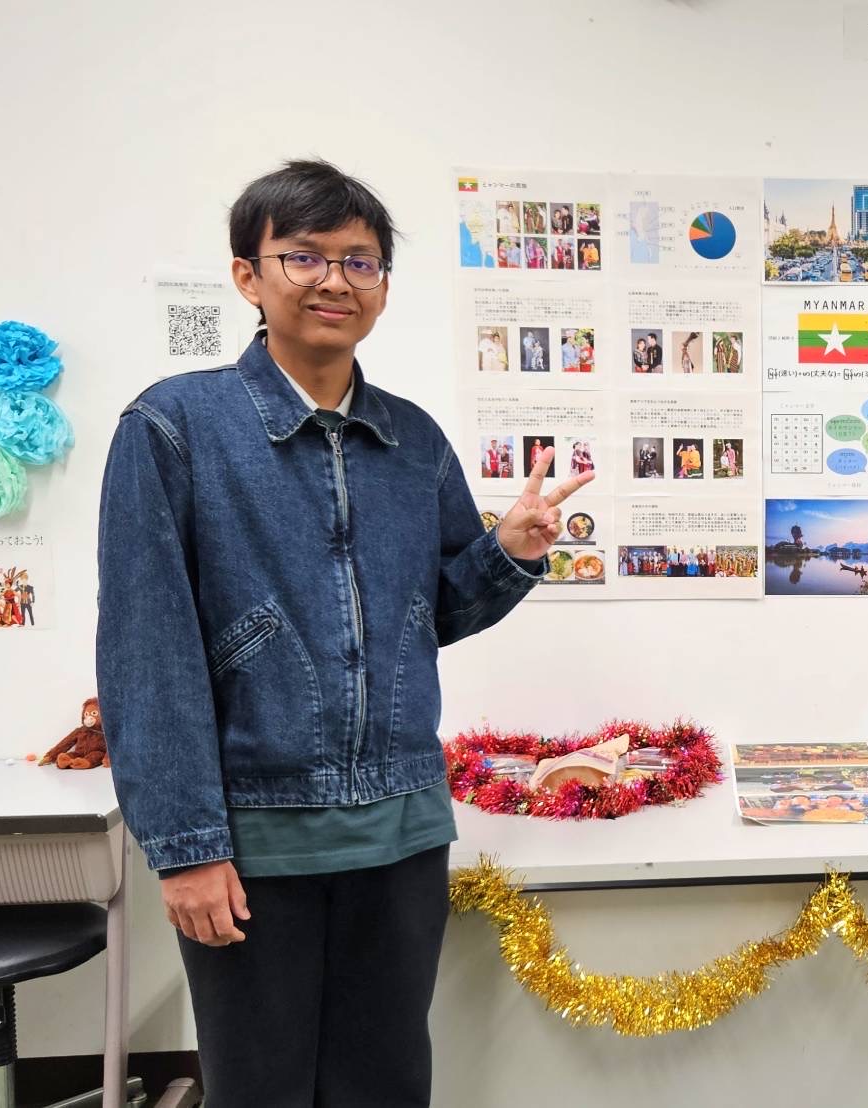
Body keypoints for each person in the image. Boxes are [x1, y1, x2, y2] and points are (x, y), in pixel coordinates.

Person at [94, 160, 592, 1106]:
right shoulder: (173, 429)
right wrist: (188, 846)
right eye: (305, 257)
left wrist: (509, 552)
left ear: (384, 287)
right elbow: (145, 656)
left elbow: (430, 618)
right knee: (263, 1090)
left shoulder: (413, 441)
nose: (334, 281)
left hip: (401, 832)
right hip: (252, 844)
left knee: (387, 1084)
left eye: (360, 262)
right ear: (249, 275)